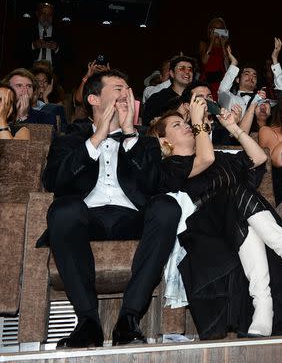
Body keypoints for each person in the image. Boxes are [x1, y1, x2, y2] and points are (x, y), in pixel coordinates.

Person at [151, 103, 282, 338]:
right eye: (177, 125)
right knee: (235, 193)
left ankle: (263, 306)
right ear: (164, 141)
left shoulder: (222, 157)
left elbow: (260, 158)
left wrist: (234, 127)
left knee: (241, 207)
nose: (186, 126)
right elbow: (206, 158)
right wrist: (200, 122)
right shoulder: (171, 166)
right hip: (208, 224)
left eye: (185, 122)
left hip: (239, 218)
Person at [40, 70, 181, 348]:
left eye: (129, 89)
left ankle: (129, 320)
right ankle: (88, 321)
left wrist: (129, 134)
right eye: (118, 88)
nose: (126, 94)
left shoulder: (146, 141)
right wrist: (95, 140)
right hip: (85, 217)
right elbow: (53, 181)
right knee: (63, 210)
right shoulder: (69, 137)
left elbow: (155, 185)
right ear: (93, 98)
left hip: (131, 218)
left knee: (167, 206)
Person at [142, 55, 195, 123]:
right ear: (172, 73)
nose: (187, 72)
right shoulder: (157, 99)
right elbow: (147, 125)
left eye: (190, 69)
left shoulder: (197, 97)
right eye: (182, 68)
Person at [17, 2, 69, 67]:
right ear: (37, 14)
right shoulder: (27, 31)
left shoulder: (61, 33)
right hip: (31, 71)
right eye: (43, 14)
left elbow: (70, 57)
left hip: (53, 72)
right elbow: (17, 52)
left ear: (53, 16)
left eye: (49, 15)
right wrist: (33, 45)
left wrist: (57, 48)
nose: (46, 18)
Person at [199, 17, 231, 98]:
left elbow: (227, 65)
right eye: (215, 28)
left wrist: (223, 45)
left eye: (220, 28)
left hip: (221, 81)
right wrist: (211, 41)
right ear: (210, 30)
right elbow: (204, 61)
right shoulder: (204, 44)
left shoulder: (227, 46)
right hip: (207, 80)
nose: (217, 31)